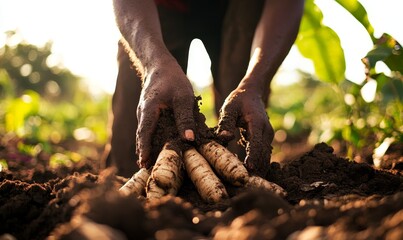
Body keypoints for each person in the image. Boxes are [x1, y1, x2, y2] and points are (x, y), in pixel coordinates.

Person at [104, 0, 305, 178]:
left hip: (238, 7)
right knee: (134, 149)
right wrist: (153, 64)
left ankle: (241, 192)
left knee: (242, 153)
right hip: (158, 7)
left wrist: (255, 84)